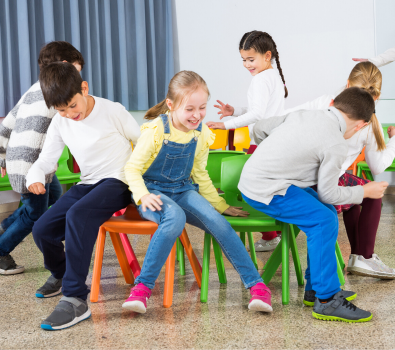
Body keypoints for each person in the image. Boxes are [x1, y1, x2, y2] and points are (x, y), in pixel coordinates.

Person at [122, 70, 272, 315]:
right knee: (174, 218)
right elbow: (132, 168)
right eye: (189, 109)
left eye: (202, 108)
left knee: (219, 223)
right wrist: (142, 196)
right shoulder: (155, 131)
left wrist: (220, 205)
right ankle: (142, 289)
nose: (197, 115)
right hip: (152, 192)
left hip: (183, 189)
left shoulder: (201, 133)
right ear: (171, 105)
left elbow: (200, 174)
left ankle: (257, 286)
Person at [239, 87, 388, 322]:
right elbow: (329, 192)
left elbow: (258, 129)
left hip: (255, 181)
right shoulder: (335, 144)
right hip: (266, 190)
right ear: (360, 125)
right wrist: (364, 191)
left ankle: (315, 289)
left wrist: (277, 152)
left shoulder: (305, 114)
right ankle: (327, 300)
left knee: (325, 211)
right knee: (324, 220)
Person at [26, 62, 141, 330]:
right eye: (61, 109)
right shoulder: (60, 122)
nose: (68, 113)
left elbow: (144, 142)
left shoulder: (112, 111)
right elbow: (46, 160)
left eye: (72, 105)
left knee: (78, 215)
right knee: (42, 229)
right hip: (88, 183)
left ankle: (76, 298)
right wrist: (34, 176)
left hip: (118, 179)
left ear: (84, 88)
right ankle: (62, 274)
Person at [284, 62, 395, 278]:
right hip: (322, 190)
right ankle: (363, 257)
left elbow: (286, 117)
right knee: (374, 191)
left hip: (293, 185)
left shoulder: (323, 102)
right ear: (377, 96)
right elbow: (377, 167)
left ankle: (359, 257)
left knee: (353, 186)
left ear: (347, 84)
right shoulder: (371, 122)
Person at [0, 41, 84, 275]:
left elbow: (6, 124)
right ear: (65, 66)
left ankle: (4, 226)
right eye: (77, 71)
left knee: (54, 194)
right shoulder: (59, 90)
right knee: (35, 213)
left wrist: (3, 157)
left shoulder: (34, 89)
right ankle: (1, 251)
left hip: (22, 160)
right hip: (31, 164)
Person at [207, 30, 287, 252]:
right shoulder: (273, 76)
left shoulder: (261, 79)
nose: (246, 64)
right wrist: (235, 111)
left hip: (262, 143)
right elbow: (258, 110)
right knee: (269, 189)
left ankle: (271, 235)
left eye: (251, 59)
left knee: (253, 189)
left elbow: (258, 115)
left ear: (267, 56)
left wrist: (225, 125)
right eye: (243, 60)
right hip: (274, 142)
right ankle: (276, 232)